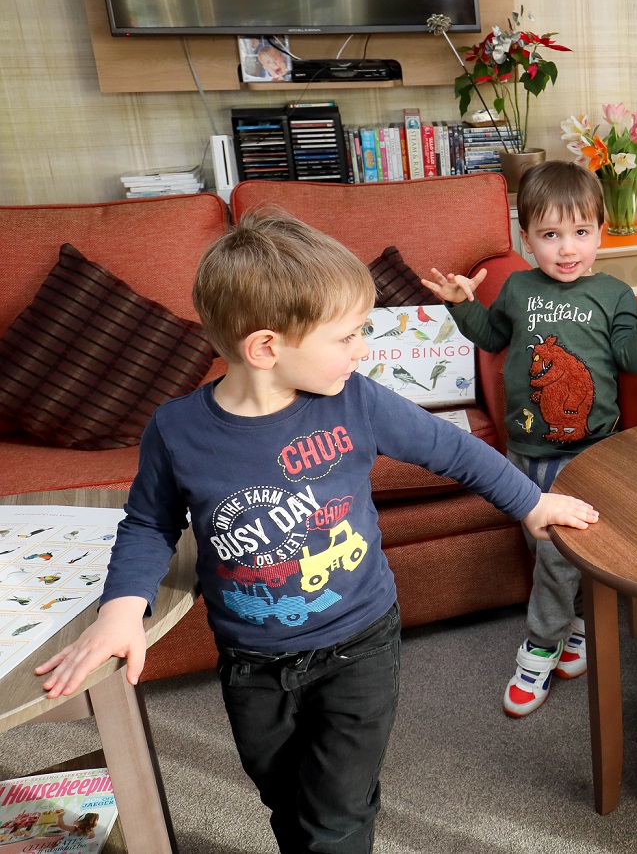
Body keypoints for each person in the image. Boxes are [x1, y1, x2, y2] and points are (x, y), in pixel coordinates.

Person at [36, 211, 597, 854]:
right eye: (348, 335)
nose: (364, 350)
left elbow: (454, 449)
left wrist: (532, 504)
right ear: (267, 348)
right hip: (251, 662)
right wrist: (120, 612)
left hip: (358, 644)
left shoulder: (356, 400)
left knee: (335, 815)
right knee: (287, 799)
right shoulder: (176, 430)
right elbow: (148, 523)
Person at [423, 161, 637, 718]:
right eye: (550, 235)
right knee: (541, 547)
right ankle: (581, 626)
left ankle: (539, 646)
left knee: (555, 557)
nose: (567, 250)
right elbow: (493, 338)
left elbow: (636, 358)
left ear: (599, 232)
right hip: (524, 451)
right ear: (527, 239)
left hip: (586, 454)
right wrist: (461, 304)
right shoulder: (517, 286)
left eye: (581, 233)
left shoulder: (613, 293)